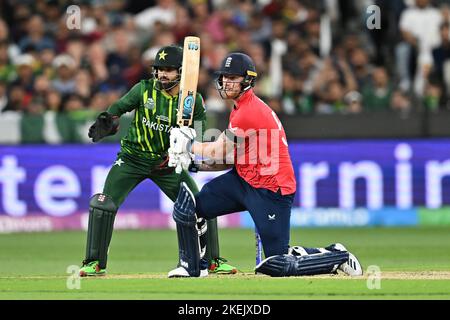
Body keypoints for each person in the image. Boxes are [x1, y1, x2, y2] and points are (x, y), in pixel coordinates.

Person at [167, 53, 363, 277]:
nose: (227, 82)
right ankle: (195, 267)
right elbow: (230, 158)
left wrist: (189, 143)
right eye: (225, 77)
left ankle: (337, 257)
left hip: (271, 189)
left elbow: (218, 150)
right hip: (242, 180)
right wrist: (194, 164)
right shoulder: (240, 107)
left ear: (247, 81)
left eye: (234, 78)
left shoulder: (249, 111)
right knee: (191, 208)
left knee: (277, 263)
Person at [78, 45, 237, 277]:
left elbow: (201, 135)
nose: (163, 74)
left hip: (168, 164)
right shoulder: (143, 90)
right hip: (132, 159)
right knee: (103, 205)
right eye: (159, 69)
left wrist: (185, 149)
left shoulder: (194, 100)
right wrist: (109, 118)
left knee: (201, 205)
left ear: (182, 72)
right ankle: (95, 264)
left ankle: (212, 260)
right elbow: (118, 107)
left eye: (169, 70)